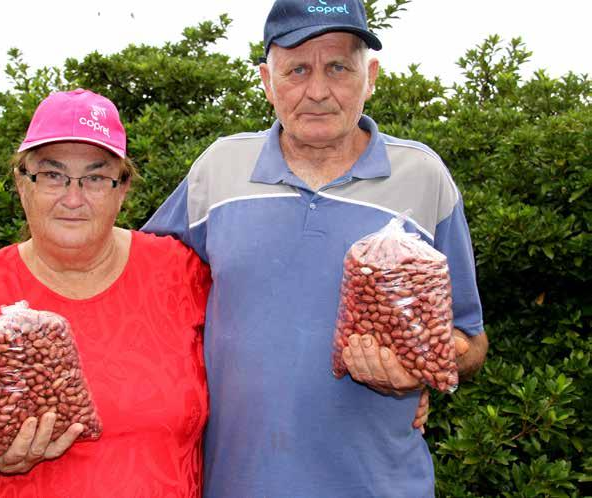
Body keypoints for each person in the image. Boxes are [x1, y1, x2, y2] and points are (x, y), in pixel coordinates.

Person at [143, 0, 489, 496]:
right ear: (267, 80)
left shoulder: (423, 177)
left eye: (338, 68)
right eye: (297, 69)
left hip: (382, 485)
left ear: (369, 76)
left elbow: (470, 339)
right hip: (239, 483)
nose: (318, 91)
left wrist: (424, 366)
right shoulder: (218, 169)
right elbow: (140, 290)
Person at [0, 89, 212, 497]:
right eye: (52, 175)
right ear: (21, 182)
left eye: (96, 177)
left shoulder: (183, 272)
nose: (73, 198)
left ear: (123, 187)